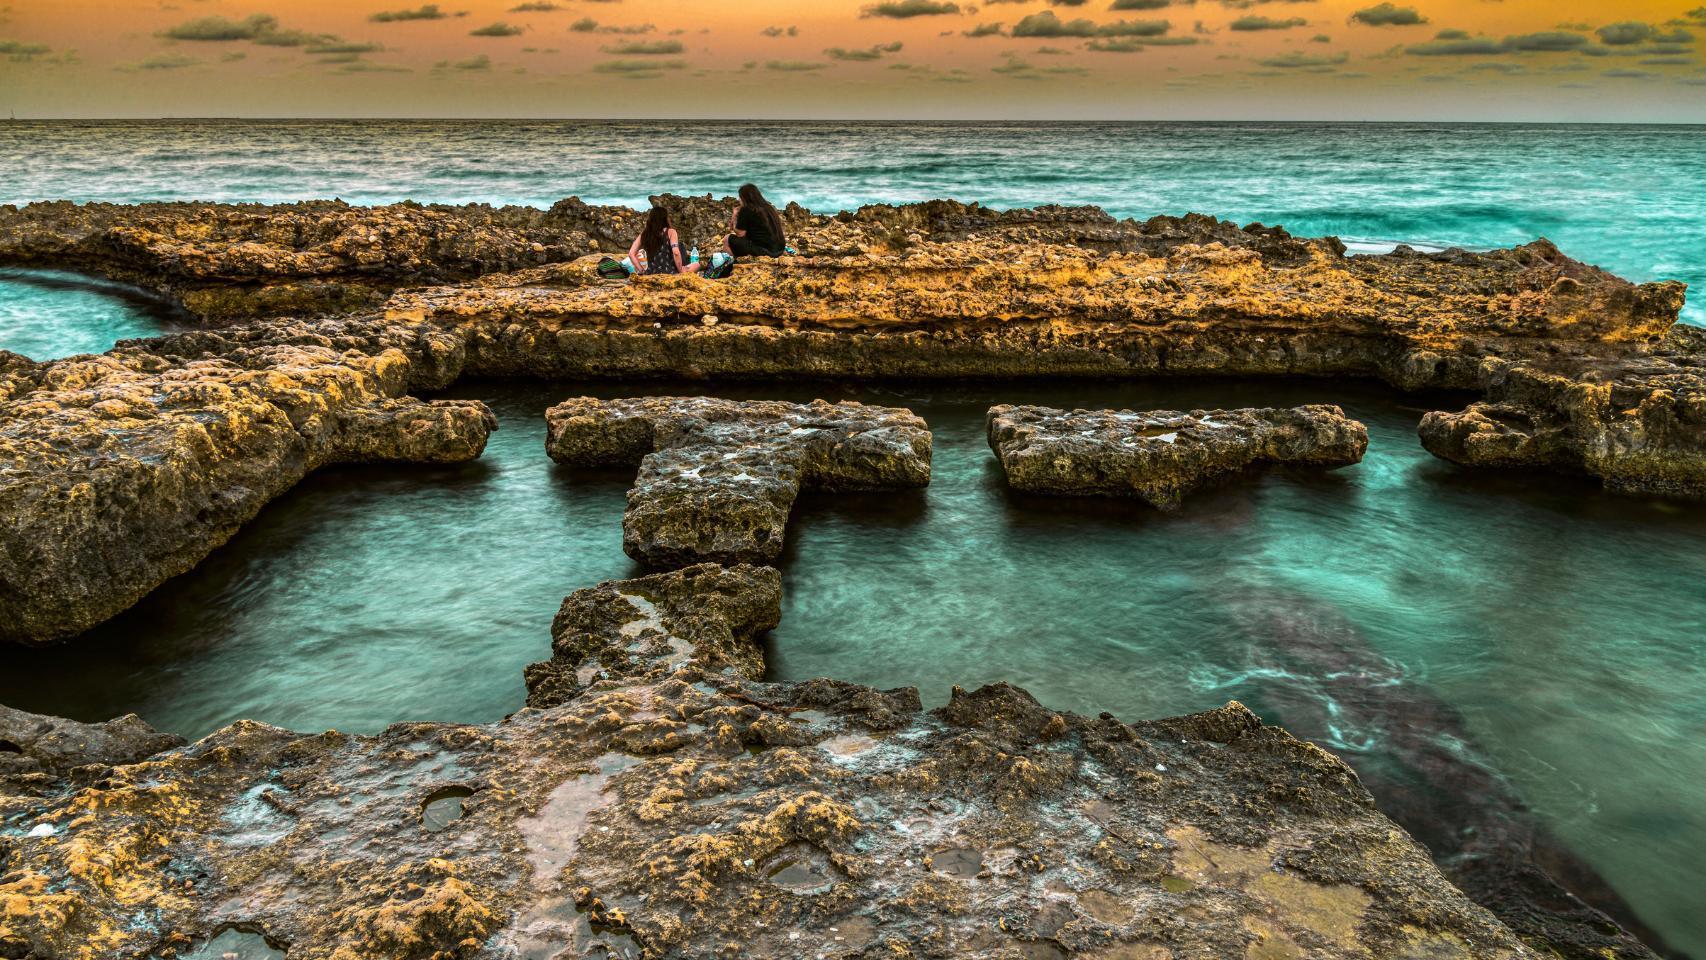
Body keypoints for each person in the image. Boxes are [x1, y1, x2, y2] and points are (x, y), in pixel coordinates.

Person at [628, 204, 702, 276]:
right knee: (696, 265)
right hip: (670, 273)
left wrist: (642, 270)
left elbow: (631, 254)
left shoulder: (645, 234)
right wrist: (680, 270)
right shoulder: (671, 232)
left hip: (651, 273)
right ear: (665, 218)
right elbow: (676, 252)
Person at [724, 183, 787, 259]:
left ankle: (731, 265)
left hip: (766, 252)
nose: (738, 199)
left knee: (727, 238)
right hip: (779, 249)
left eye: (740, 196)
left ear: (745, 197)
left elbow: (740, 234)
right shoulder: (768, 207)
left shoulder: (746, 209)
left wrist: (734, 215)